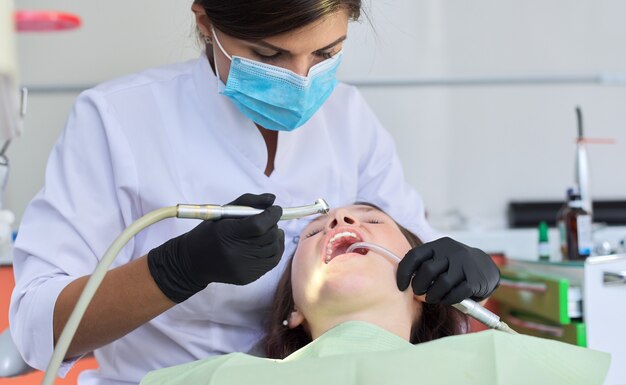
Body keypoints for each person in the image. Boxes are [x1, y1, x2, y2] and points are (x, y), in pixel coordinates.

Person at [9, 0, 500, 385]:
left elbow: (415, 257)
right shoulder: (118, 120)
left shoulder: (349, 118)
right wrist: (175, 269)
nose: (302, 79)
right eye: (270, 56)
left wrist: (465, 273)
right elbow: (35, 330)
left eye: (326, 54)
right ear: (205, 24)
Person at [139, 205, 609, 385]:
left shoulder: (505, 363)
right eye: (314, 231)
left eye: (372, 220)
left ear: (425, 287)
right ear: (294, 312)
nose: (342, 223)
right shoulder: (207, 380)